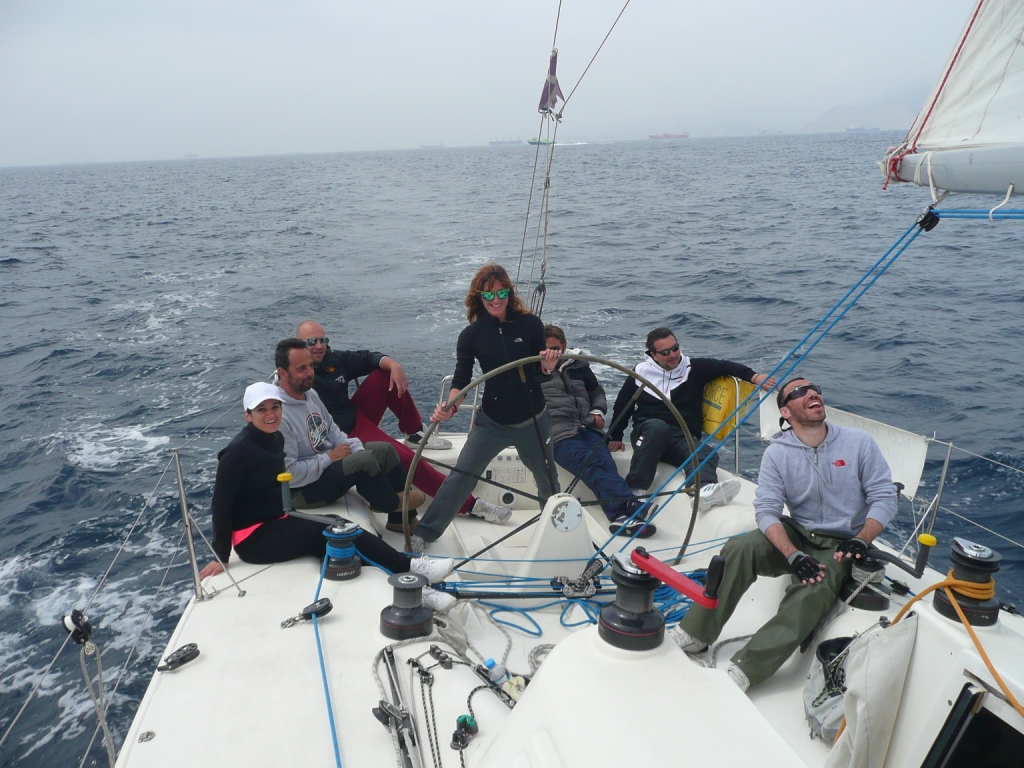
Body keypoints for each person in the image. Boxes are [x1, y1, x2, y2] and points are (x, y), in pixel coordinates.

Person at [670, 378, 897, 691]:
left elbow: (884, 497)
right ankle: (696, 633)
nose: (813, 393)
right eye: (800, 392)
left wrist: (862, 539)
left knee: (815, 587)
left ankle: (747, 667)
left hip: (843, 542)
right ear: (785, 412)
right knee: (740, 547)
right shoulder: (777, 453)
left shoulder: (858, 443)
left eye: (815, 389)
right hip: (798, 531)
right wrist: (793, 555)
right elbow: (767, 510)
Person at [197, 381, 456, 613]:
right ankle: (412, 572)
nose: (270, 414)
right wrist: (221, 554)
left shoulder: (275, 438)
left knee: (340, 528)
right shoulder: (237, 452)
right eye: (261, 409)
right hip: (253, 538)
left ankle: (413, 582)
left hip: (277, 520)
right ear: (248, 415)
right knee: (339, 533)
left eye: (275, 407)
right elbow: (221, 503)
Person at [411, 264, 562, 552]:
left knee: (548, 480)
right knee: (461, 477)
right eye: (488, 294)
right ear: (478, 297)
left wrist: (549, 364)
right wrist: (450, 408)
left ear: (509, 293)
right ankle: (424, 534)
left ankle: (556, 533)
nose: (496, 300)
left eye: (502, 293)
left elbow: (540, 368)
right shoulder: (471, 335)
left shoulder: (530, 324)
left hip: (533, 420)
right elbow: (461, 379)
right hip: (491, 423)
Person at [298, 320, 506, 524]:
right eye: (312, 341)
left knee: (384, 374)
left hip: (353, 418)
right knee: (408, 459)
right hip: (342, 435)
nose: (319, 346)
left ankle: (414, 431)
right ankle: (469, 504)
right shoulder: (295, 380)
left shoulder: (332, 360)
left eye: (323, 340)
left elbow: (370, 358)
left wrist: (394, 365)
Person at [608, 327, 775, 511]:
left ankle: (703, 490)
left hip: (681, 437)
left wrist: (755, 377)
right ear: (653, 355)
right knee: (658, 427)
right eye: (665, 352)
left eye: (675, 348)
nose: (673, 355)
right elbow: (623, 405)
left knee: (705, 453)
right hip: (648, 434)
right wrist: (615, 436)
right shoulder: (641, 372)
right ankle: (633, 491)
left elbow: (725, 366)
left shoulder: (694, 368)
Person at [274, 338, 425, 533]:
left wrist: (355, 450)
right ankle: (389, 503)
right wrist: (330, 458)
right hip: (301, 491)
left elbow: (333, 431)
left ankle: (402, 521)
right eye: (301, 369)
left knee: (384, 450)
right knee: (363, 461)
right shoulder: (278, 415)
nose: (310, 372)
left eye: (310, 366)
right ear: (282, 373)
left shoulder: (310, 395)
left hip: (324, 468)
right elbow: (291, 475)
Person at [539, 324, 655, 538]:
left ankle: (620, 519)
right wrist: (545, 369)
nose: (551, 353)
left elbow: (595, 390)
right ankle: (629, 504)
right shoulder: (532, 370)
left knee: (605, 463)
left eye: (555, 348)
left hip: (588, 427)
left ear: (564, 345)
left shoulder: (578, 364)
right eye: (546, 349)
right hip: (557, 433)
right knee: (590, 463)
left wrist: (598, 410)